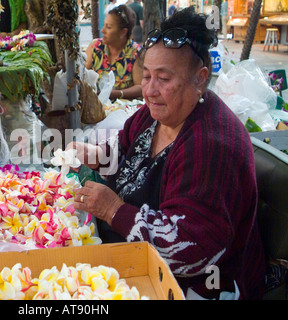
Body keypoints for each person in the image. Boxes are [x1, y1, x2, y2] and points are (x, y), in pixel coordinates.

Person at [69, 7, 265, 300]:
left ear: (200, 79)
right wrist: (97, 154)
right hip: (137, 256)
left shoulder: (210, 146)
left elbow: (189, 249)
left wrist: (114, 210)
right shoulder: (153, 116)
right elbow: (125, 147)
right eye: (146, 76)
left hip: (196, 285)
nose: (149, 90)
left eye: (163, 78)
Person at [85, 4, 143, 101]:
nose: (102, 30)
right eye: (104, 25)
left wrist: (116, 94)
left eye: (108, 27)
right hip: (96, 108)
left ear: (123, 32)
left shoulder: (135, 53)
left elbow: (141, 87)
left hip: (123, 111)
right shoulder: (95, 47)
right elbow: (80, 74)